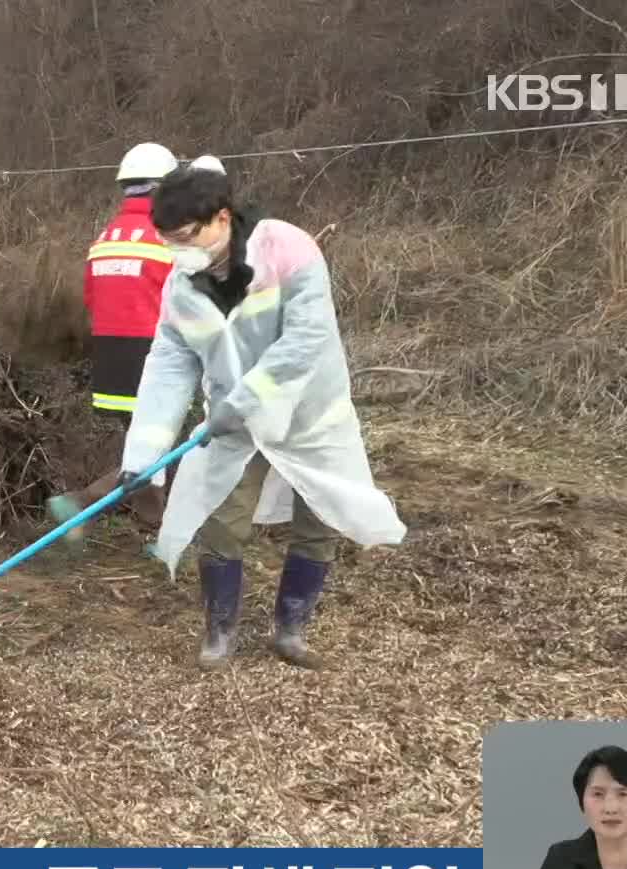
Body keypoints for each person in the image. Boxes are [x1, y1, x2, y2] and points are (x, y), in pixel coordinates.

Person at [120, 165, 404, 670]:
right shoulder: (182, 283)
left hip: (310, 415)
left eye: (185, 238)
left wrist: (247, 401)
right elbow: (169, 361)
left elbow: (305, 341)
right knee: (219, 520)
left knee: (319, 517)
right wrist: (143, 457)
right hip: (230, 423)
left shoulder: (288, 250)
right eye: (169, 242)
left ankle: (291, 630)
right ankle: (220, 633)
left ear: (222, 218)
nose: (177, 251)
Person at [45, 142, 180, 546]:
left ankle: (151, 532)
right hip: (155, 361)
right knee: (166, 451)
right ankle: (81, 501)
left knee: (147, 447)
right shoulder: (168, 238)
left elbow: (92, 300)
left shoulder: (105, 238)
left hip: (110, 362)